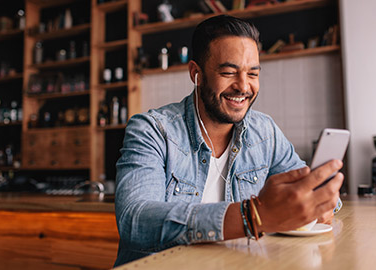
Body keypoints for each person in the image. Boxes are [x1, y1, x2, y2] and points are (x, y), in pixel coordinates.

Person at [114, 15, 343, 266]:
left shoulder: (264, 131)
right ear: (196, 73)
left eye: (252, 74)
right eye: (228, 72)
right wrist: (253, 216)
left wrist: (320, 203)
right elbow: (135, 221)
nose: (243, 86)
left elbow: (306, 189)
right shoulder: (152, 131)